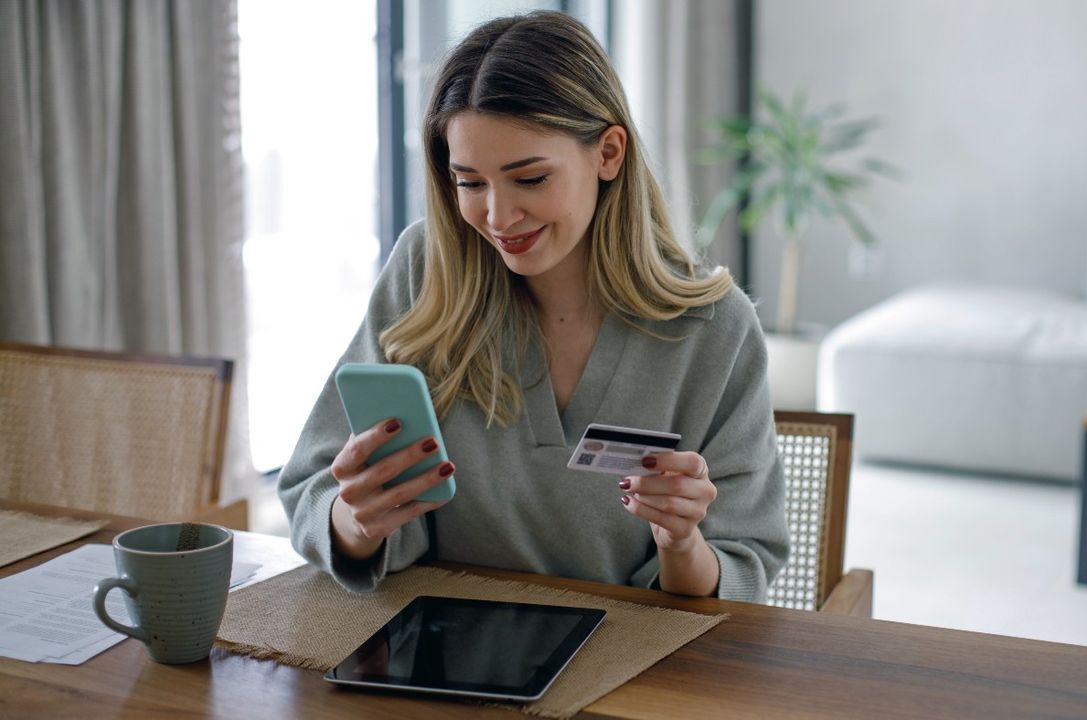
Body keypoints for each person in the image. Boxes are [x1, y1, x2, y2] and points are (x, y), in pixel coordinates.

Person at [277, 10, 788, 602]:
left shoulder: (714, 327)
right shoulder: (427, 270)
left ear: (609, 154)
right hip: (439, 649)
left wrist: (681, 543)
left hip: (633, 663)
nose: (497, 217)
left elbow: (741, 563)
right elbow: (313, 488)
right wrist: (358, 521)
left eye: (530, 179)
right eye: (469, 183)